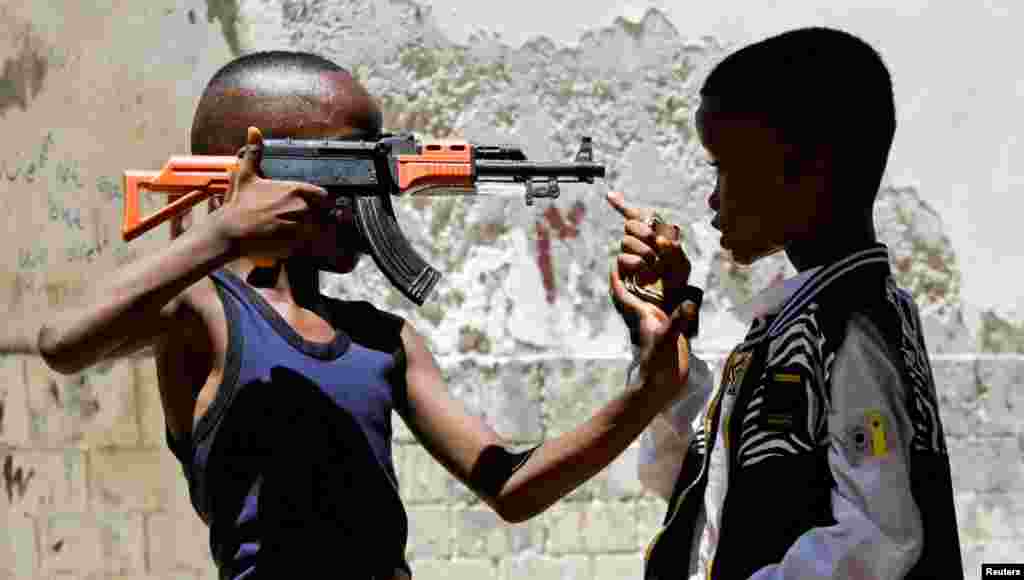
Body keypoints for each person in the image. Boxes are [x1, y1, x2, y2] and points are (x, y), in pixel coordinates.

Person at [3, 51, 699, 580]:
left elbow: (512, 488)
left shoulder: (384, 339)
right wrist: (222, 232)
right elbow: (62, 343)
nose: (371, 205)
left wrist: (646, 395)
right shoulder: (205, 310)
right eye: (350, 175)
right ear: (261, 171)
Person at [631, 27, 964, 579]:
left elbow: (881, 537)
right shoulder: (789, 326)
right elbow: (691, 486)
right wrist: (664, 344)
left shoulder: (851, 327)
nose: (712, 197)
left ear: (808, 173)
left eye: (724, 167)